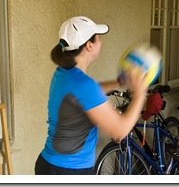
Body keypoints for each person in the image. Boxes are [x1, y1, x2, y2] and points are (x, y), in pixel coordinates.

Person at [35, 16, 147, 175]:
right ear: (89, 45)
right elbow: (120, 131)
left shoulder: (64, 73)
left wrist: (118, 82)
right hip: (69, 171)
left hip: (50, 164)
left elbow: (87, 92)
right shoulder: (83, 85)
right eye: (98, 38)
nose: (101, 43)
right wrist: (140, 94)